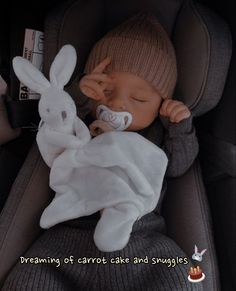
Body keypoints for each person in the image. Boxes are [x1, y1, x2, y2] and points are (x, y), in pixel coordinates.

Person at [2, 13, 202, 290]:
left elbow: (178, 165)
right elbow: (55, 127)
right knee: (28, 278)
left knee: (181, 278)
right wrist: (79, 98)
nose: (119, 103)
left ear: (161, 104)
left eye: (139, 98)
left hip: (141, 240)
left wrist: (180, 127)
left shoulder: (155, 137)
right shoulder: (80, 124)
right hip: (69, 236)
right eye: (106, 90)